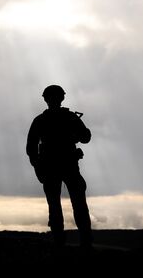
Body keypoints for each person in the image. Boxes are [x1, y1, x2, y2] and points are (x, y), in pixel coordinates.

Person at [26, 85, 93, 248]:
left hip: (53, 168)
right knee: (77, 205)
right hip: (65, 166)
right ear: (62, 98)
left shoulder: (40, 120)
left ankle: (60, 243)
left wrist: (38, 167)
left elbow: (31, 148)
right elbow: (86, 137)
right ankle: (84, 243)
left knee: (57, 205)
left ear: (45, 99)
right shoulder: (69, 118)